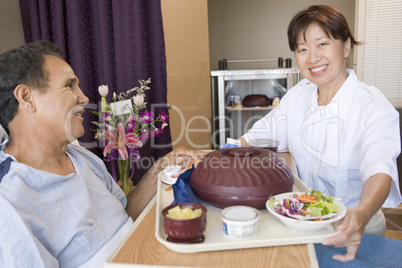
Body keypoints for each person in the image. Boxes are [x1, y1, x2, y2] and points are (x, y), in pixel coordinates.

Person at [0, 40, 199, 267]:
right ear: (26, 98)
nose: (84, 98)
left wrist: (160, 168)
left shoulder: (83, 158)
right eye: (69, 85)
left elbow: (123, 215)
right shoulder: (9, 201)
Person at [235, 5, 401, 262]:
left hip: (354, 227)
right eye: (302, 49)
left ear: (346, 46)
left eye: (322, 44)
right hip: (303, 222)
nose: (312, 58)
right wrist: (214, 157)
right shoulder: (297, 96)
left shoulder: (373, 106)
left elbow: (380, 170)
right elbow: (251, 142)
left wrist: (362, 212)